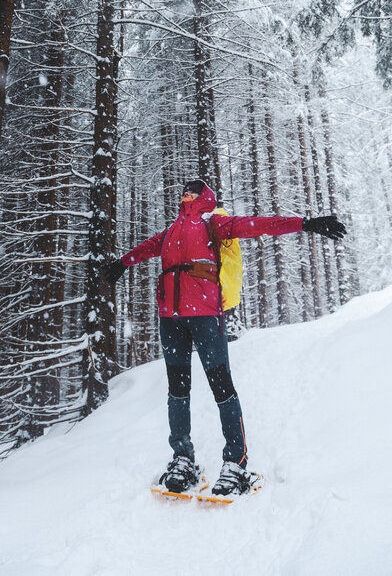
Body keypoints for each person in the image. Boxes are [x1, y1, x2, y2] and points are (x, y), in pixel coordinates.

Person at [106, 178, 346, 496]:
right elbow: (149, 247)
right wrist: (123, 263)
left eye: (193, 190)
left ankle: (235, 463)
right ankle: (183, 458)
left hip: (206, 316)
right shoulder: (171, 230)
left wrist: (304, 223)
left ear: (205, 197)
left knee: (222, 388)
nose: (186, 193)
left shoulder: (214, 223)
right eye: (184, 190)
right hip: (170, 320)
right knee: (177, 392)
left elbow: (259, 225)